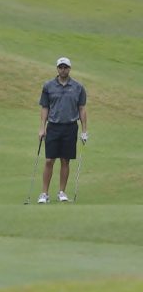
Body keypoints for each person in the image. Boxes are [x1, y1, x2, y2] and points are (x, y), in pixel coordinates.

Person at [37, 57, 88, 204]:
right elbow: (45, 107)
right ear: (57, 69)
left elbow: (82, 109)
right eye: (61, 67)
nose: (63, 70)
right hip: (53, 126)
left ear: (69, 69)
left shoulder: (78, 87)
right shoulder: (48, 86)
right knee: (49, 160)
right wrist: (42, 128)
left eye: (65, 67)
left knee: (65, 160)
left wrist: (84, 131)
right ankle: (44, 193)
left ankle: (61, 192)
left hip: (70, 127)